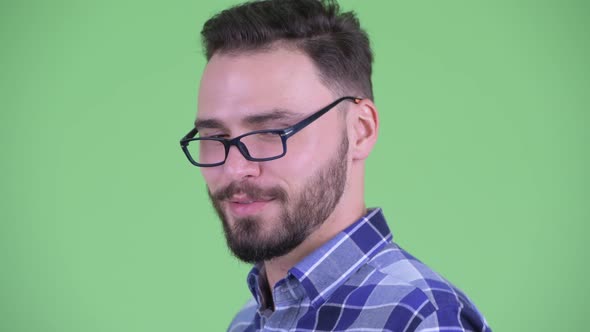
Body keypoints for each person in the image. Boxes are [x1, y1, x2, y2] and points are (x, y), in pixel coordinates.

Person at [180, 0, 492, 331]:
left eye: (271, 133)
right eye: (214, 136)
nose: (234, 169)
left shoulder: (423, 318)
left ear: (360, 130)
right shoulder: (247, 321)